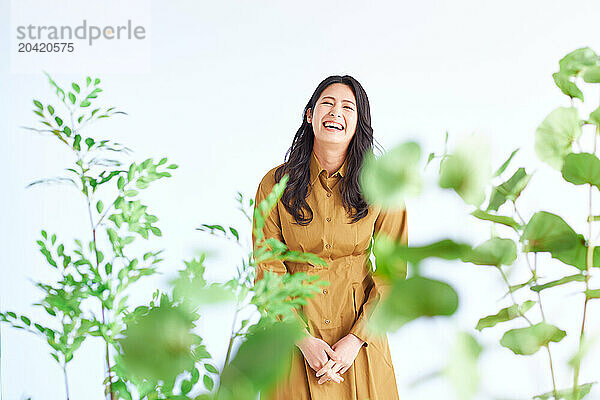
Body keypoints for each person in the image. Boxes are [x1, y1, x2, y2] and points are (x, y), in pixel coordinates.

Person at [252, 75, 407, 399]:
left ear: (358, 123)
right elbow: (269, 270)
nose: (336, 112)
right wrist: (301, 339)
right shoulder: (274, 184)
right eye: (328, 103)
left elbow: (393, 273)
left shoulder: (383, 186)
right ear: (310, 115)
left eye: (348, 107)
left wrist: (356, 340)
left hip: (360, 343)